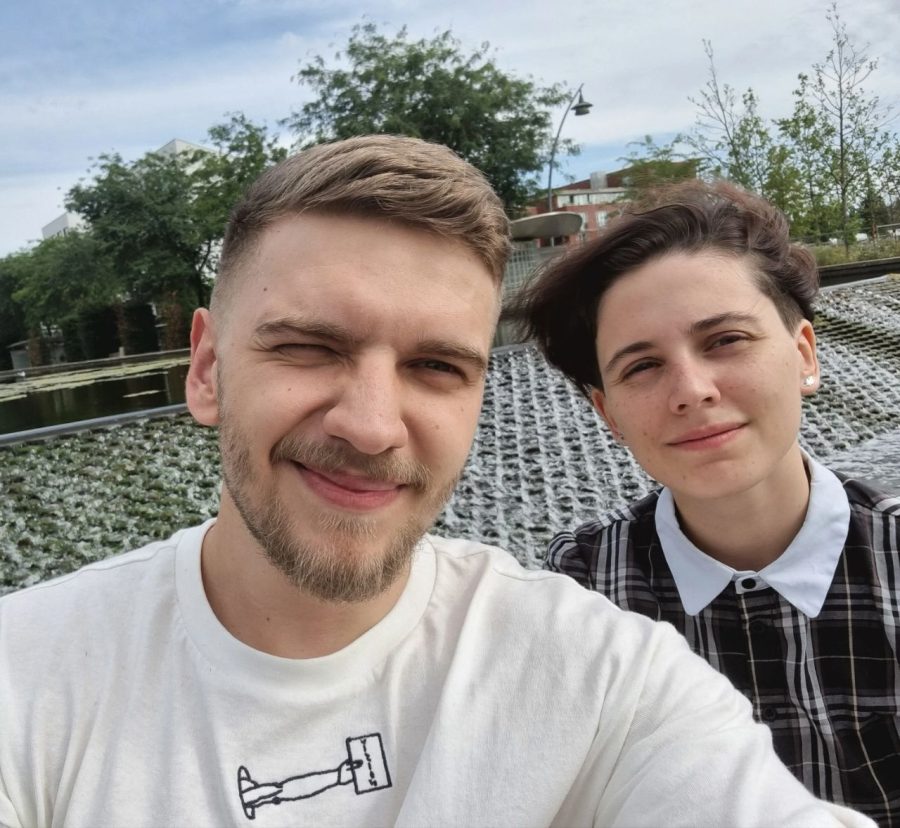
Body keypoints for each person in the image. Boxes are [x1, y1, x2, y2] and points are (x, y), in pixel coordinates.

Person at [0, 141, 875, 828]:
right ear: (205, 369)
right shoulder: (24, 681)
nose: (373, 425)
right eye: (308, 347)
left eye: (435, 366)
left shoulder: (604, 670)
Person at [509, 179, 900, 825]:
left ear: (804, 353)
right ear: (606, 412)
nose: (691, 391)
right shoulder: (583, 595)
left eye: (725, 341)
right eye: (642, 367)